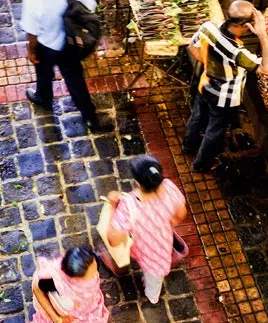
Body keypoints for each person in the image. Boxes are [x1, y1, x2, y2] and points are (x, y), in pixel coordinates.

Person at [182, 0, 268, 173]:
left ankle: (188, 146)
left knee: (197, 117)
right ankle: (201, 165)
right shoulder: (237, 51)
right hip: (224, 98)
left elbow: (192, 47)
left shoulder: (209, 27)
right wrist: (262, 35)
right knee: (214, 131)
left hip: (205, 84)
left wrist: (212, 67)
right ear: (247, 25)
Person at [106, 155, 187, 304]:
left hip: (147, 250)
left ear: (137, 182)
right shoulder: (169, 186)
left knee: (153, 276)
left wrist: (112, 204)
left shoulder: (129, 205)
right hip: (163, 245)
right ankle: (152, 292)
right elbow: (181, 214)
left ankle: (152, 297)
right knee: (154, 275)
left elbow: (114, 240)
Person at [20, 0, 101, 131]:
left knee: (43, 74)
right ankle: (89, 117)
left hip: (46, 46)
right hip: (69, 44)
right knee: (75, 81)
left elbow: (32, 32)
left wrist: (31, 51)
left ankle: (43, 98)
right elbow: (90, 6)